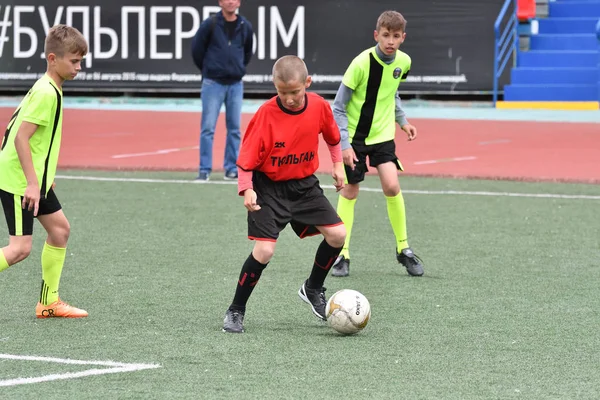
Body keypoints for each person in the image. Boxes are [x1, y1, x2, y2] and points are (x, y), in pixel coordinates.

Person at [222, 55, 347, 333]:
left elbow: (333, 136)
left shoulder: (318, 106)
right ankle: (236, 310)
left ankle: (313, 288)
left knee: (338, 234)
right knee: (264, 250)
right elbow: (246, 159)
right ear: (274, 86)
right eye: (282, 92)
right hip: (268, 188)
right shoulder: (266, 114)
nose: (289, 98)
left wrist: (338, 165)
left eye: (295, 92)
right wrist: (247, 188)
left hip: (303, 186)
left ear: (308, 83)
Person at [0, 24, 88, 318]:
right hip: (20, 181)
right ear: (53, 59)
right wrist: (32, 182)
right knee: (19, 249)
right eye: (74, 61)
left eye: (80, 61)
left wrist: (44, 177)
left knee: (60, 231)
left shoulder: (50, 87)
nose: (78, 67)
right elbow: (21, 138)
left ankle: (48, 303)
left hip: (35, 179)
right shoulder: (47, 93)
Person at [331, 10, 424, 278]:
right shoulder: (360, 63)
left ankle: (403, 248)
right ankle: (342, 253)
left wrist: (402, 121)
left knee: (392, 185)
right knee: (350, 191)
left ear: (403, 38)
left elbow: (391, 93)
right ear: (376, 35)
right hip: (355, 139)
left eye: (396, 36)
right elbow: (338, 107)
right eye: (386, 35)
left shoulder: (403, 62)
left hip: (383, 136)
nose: (390, 41)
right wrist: (345, 144)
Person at [191, 0, 254, 181]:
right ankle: (204, 169)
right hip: (213, 83)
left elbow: (247, 52)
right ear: (220, 2)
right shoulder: (209, 24)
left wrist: (238, 68)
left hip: (235, 84)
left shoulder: (245, 26)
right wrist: (210, 70)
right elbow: (197, 50)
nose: (230, 2)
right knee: (208, 128)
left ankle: (231, 168)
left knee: (234, 128)